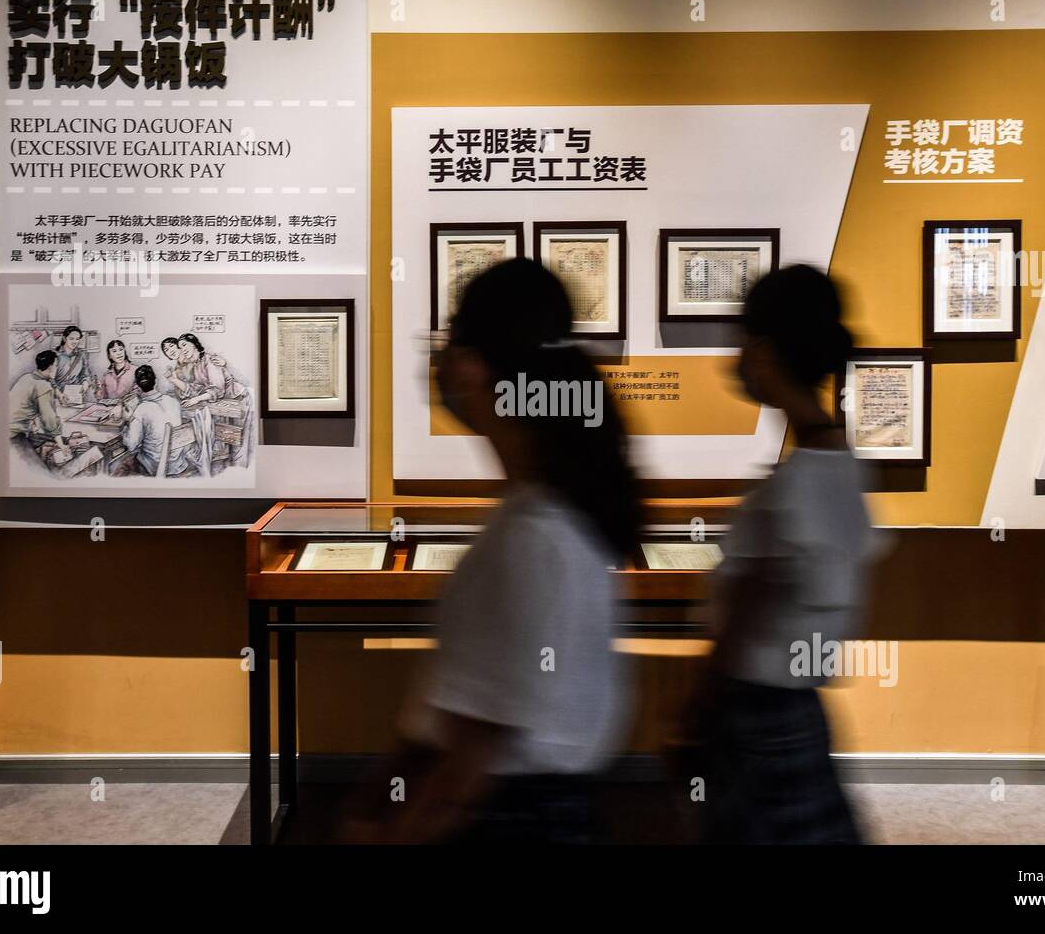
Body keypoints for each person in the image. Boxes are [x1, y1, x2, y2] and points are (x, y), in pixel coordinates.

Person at [339, 258, 639, 844]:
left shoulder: (532, 533)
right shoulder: (552, 513)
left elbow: (472, 753)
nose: (438, 362)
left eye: (449, 341)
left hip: (511, 820)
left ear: (474, 368)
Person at [684, 264, 879, 844]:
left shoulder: (798, 484)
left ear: (765, 350)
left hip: (756, 711)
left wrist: (695, 710)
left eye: (744, 340)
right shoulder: (839, 465)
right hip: (797, 708)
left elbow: (750, 609)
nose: (737, 357)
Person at [120, 364, 191, 476]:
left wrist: (127, 421)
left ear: (137, 387)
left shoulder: (141, 410)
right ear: (156, 382)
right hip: (178, 464)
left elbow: (131, 446)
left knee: (121, 464)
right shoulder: (173, 401)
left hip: (155, 467)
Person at [8, 349, 66, 451]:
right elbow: (49, 418)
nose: (57, 368)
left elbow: (25, 402)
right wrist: (61, 444)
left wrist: (34, 420)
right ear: (51, 367)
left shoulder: (26, 377)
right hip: (14, 435)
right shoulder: (43, 386)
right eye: (56, 365)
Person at [51, 325, 96, 402]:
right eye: (71, 339)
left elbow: (86, 375)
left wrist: (85, 384)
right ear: (64, 338)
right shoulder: (54, 355)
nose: (75, 342)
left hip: (76, 395)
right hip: (57, 396)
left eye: (77, 339)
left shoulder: (81, 355)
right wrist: (59, 394)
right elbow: (49, 379)